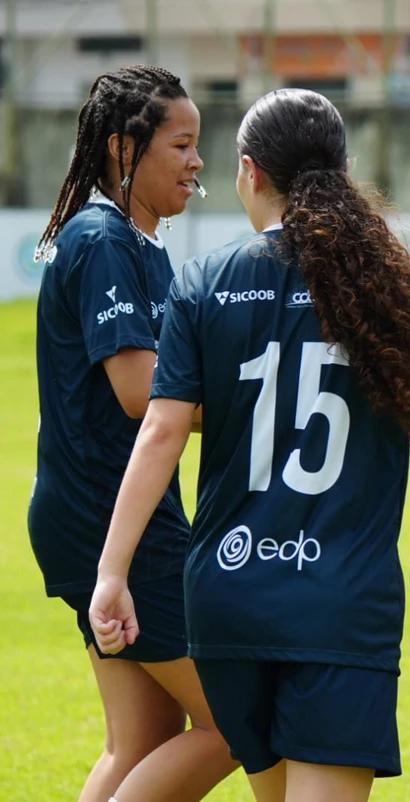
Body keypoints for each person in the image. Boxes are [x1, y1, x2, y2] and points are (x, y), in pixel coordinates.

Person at [87, 88, 410, 802]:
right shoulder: (394, 284)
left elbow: (160, 433)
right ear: (341, 171)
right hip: (338, 604)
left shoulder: (205, 280)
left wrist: (112, 572)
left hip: (229, 594)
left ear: (250, 171)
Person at [28, 64, 237, 802]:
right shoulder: (103, 238)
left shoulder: (141, 245)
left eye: (198, 145)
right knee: (237, 719)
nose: (197, 161)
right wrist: (252, 401)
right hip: (106, 516)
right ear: (123, 150)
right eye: (180, 144)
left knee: (141, 742)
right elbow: (139, 392)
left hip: (108, 513)